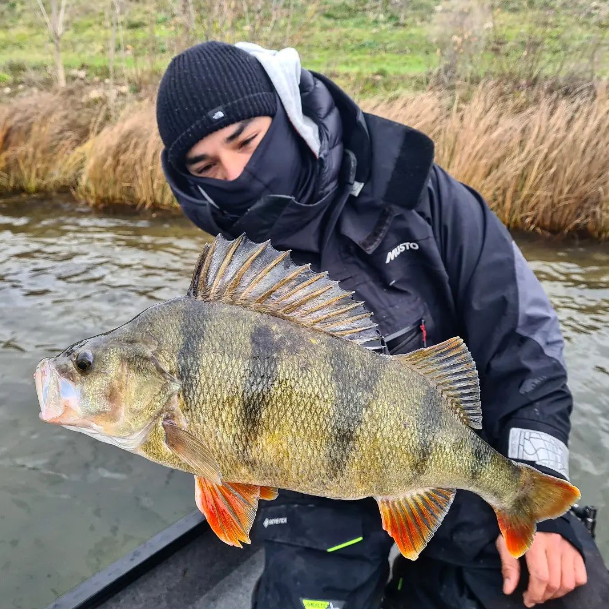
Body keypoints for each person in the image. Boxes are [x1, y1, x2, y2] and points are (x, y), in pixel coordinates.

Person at [155, 41, 608, 609]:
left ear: (290, 114)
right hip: (312, 493)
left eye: (246, 141)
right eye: (207, 168)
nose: (237, 173)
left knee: (571, 593)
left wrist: (536, 489)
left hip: (455, 448)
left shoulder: (421, 195)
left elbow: (521, 340)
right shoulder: (225, 285)